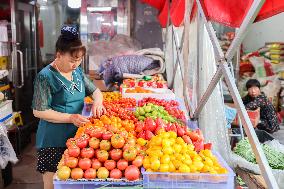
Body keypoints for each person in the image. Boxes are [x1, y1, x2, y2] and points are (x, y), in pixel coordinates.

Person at [32, 26, 106, 189]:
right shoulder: (45, 77)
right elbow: (38, 111)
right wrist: (70, 117)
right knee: (53, 183)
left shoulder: (77, 72)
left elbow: (96, 91)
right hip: (53, 140)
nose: (76, 64)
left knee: (74, 183)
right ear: (59, 55)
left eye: (79, 60)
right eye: (72, 60)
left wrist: (98, 102)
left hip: (77, 138)